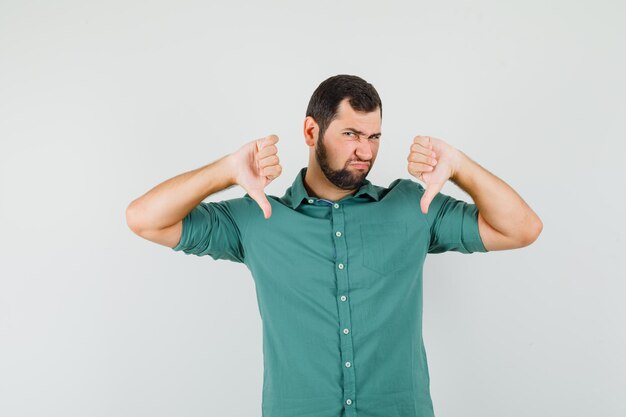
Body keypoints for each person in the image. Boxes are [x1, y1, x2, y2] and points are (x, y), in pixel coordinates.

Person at [126, 74, 542, 417]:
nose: (366, 151)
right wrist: (225, 172)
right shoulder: (257, 218)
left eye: (374, 136)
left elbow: (522, 229)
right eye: (351, 134)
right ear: (311, 130)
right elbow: (144, 218)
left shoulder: (414, 207)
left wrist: (460, 167)